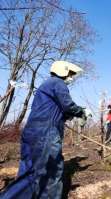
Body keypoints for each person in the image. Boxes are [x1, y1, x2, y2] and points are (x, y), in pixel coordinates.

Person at [0, 61, 88, 199]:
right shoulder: (58, 83)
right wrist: (81, 111)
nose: (71, 77)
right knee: (52, 171)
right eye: (71, 74)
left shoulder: (45, 86)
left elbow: (57, 110)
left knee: (29, 172)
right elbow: (68, 105)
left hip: (32, 132)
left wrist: (70, 115)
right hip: (46, 133)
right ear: (63, 72)